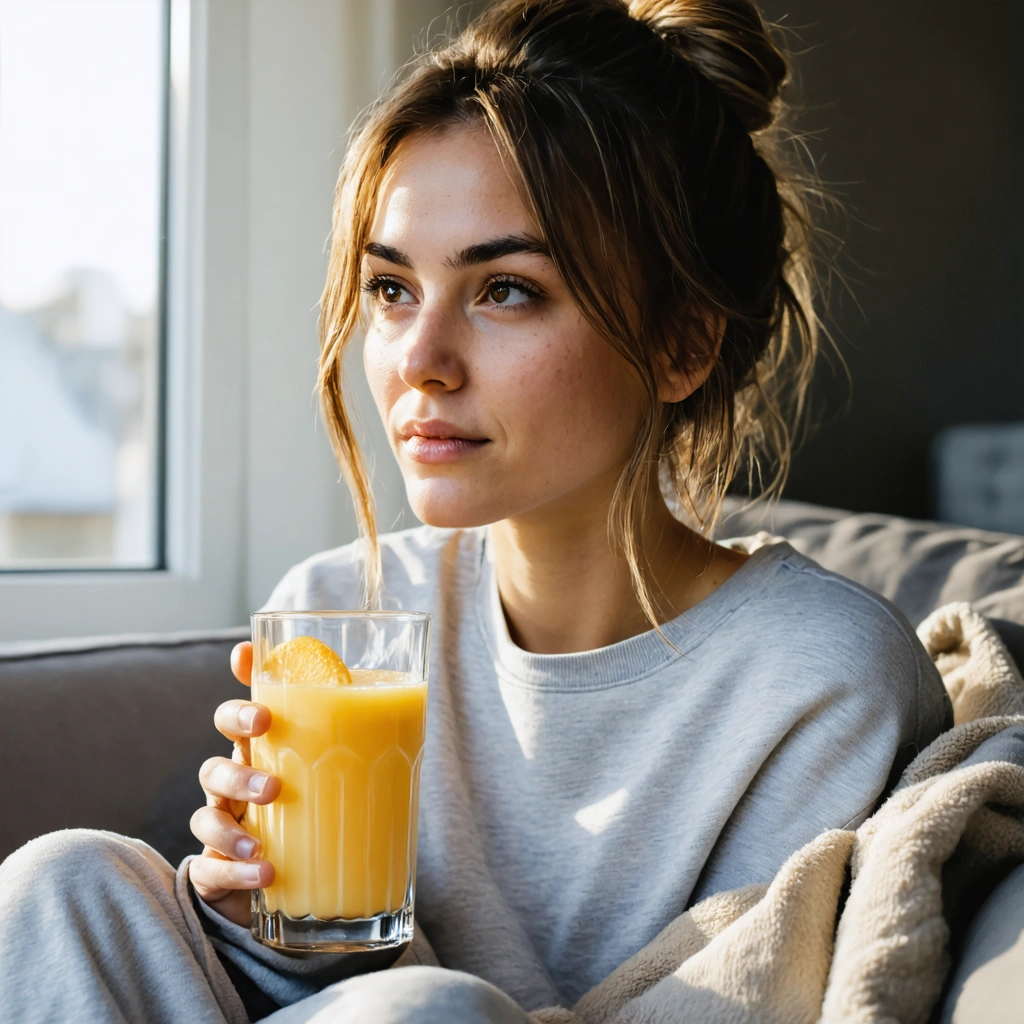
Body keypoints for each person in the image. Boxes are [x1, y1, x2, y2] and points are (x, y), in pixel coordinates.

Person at [0, 2, 952, 1022]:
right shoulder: (338, 609)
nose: (418, 360)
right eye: (391, 288)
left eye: (504, 290)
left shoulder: (818, 681)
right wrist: (256, 916)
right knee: (68, 879)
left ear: (682, 344)